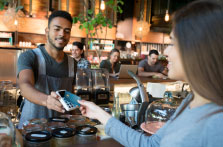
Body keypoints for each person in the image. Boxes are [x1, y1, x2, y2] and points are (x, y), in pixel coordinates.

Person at [78, 0, 223, 146]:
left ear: (197, 50)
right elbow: (151, 144)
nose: (165, 51)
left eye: (172, 43)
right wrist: (98, 113)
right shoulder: (190, 101)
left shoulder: (217, 124)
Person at [17, 10, 77, 128]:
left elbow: (70, 96)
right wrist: (47, 100)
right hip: (31, 129)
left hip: (60, 131)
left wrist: (78, 110)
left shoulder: (72, 63)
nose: (62, 34)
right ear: (47, 31)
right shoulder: (30, 56)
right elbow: (25, 86)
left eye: (67, 31)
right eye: (57, 29)